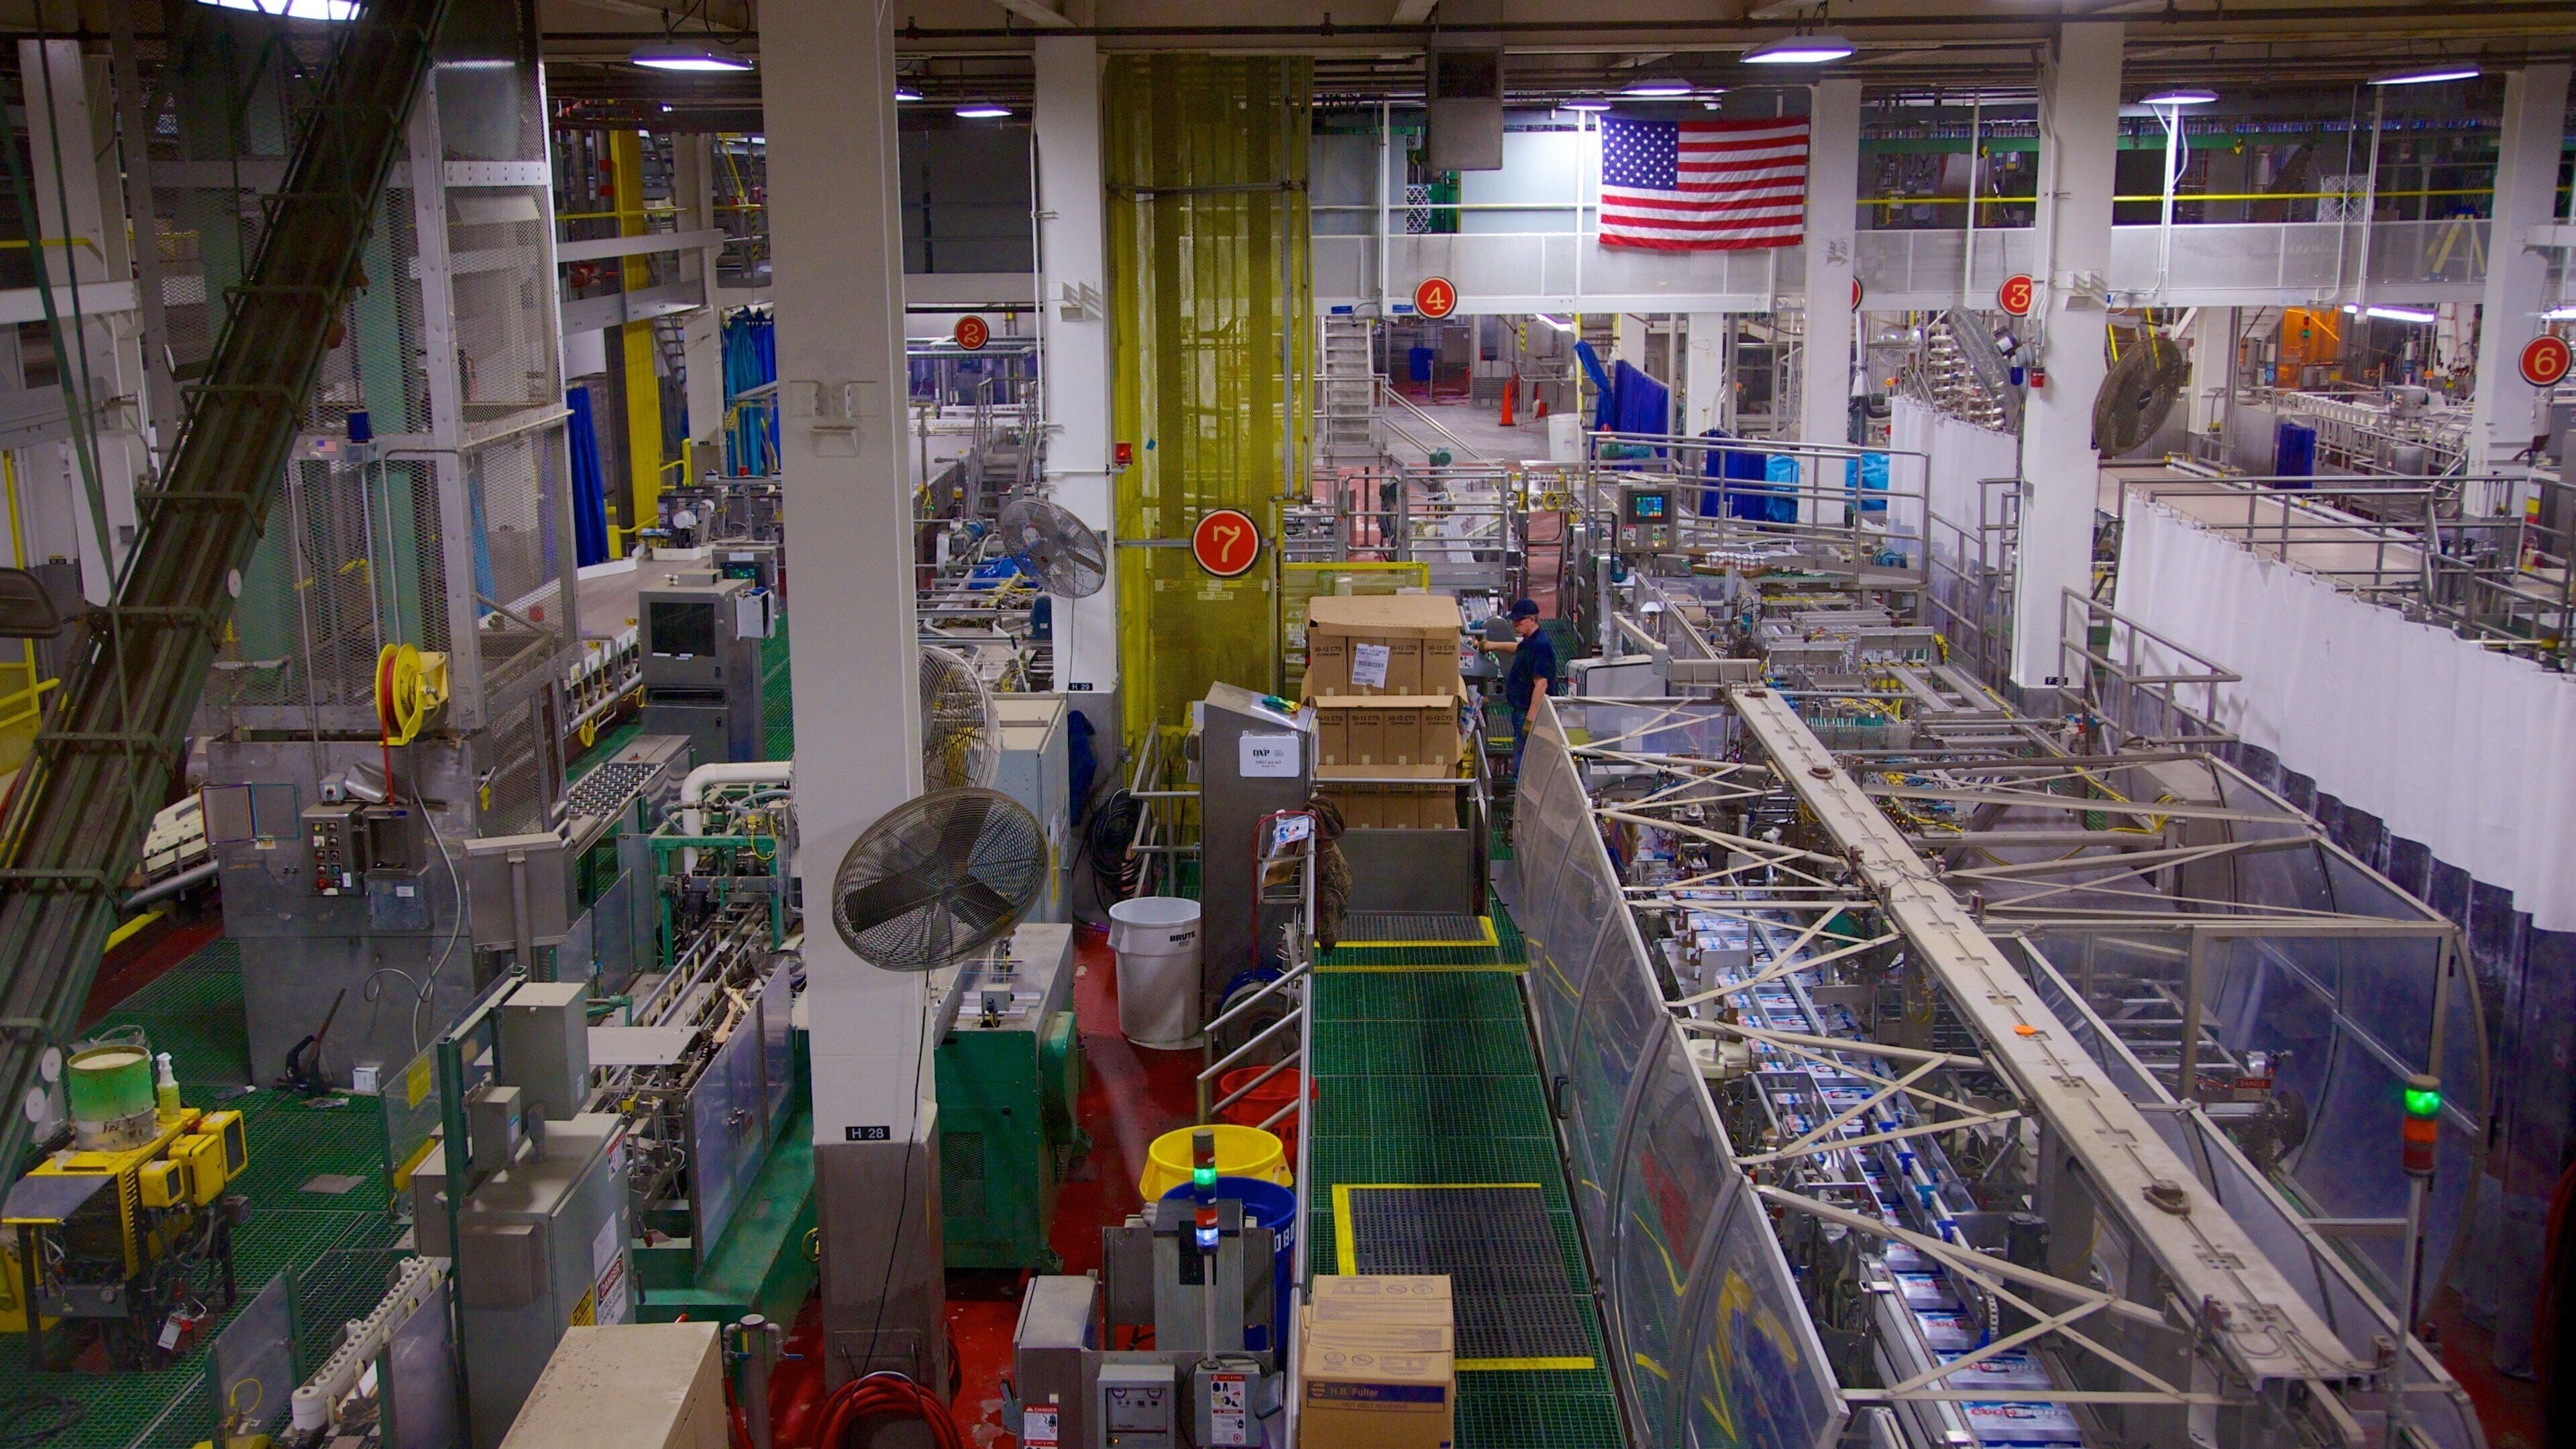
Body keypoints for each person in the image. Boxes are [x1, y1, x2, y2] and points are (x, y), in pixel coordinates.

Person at [1477, 598, 1557, 775]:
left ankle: (1524, 796)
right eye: (1513, 620)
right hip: (1520, 710)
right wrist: (1491, 645)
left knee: (1525, 762)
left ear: (1532, 620)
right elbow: (1518, 648)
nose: (1515, 624)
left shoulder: (1540, 646)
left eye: (1519, 621)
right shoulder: (1531, 641)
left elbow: (1542, 685)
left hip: (1527, 712)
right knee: (1522, 755)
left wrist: (1530, 718)